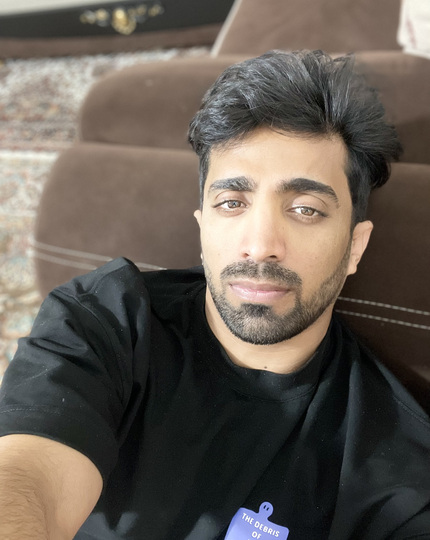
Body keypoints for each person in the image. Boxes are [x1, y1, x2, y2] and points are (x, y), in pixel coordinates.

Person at [0, 50, 429, 540]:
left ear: (355, 247)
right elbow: (25, 479)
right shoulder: (104, 322)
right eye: (231, 203)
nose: (261, 245)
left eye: (306, 209)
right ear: (203, 228)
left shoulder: (396, 464)